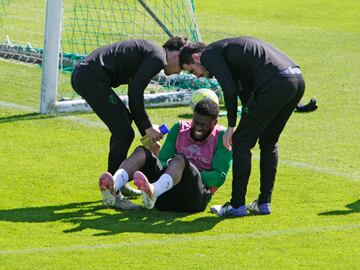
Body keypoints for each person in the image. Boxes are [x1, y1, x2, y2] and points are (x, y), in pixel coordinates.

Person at [179, 36, 305, 216]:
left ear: (197, 58)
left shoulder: (208, 54)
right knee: (268, 142)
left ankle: (237, 205)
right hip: (296, 79)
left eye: (192, 71)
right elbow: (246, 93)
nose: (197, 76)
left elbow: (229, 89)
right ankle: (263, 204)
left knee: (241, 141)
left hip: (275, 83)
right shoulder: (231, 54)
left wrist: (231, 125)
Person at [71, 37, 188, 208]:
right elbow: (135, 92)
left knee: (125, 123)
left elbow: (134, 89)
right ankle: (113, 190)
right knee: (124, 132)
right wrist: (147, 128)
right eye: (182, 66)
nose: (179, 72)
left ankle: (118, 183)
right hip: (91, 78)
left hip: (88, 76)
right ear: (177, 55)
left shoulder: (154, 54)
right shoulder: (158, 58)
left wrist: (147, 132)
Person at [98, 99, 232, 212]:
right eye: (196, 121)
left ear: (214, 123)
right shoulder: (179, 128)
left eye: (204, 124)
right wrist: (168, 166)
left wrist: (182, 171)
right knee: (142, 152)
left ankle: (153, 191)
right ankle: (113, 187)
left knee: (179, 159)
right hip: (164, 197)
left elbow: (218, 178)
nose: (198, 127)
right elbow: (162, 161)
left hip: (193, 201)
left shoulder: (222, 137)